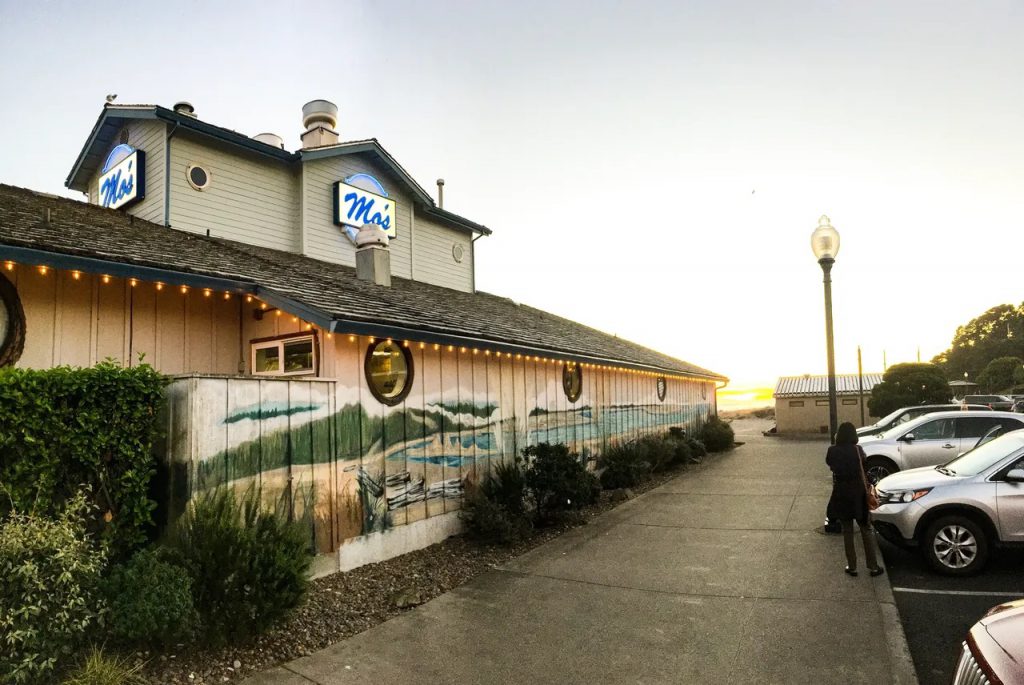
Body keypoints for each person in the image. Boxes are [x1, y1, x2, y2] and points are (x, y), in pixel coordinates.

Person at [826, 422, 884, 577]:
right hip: (858, 493)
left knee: (847, 531)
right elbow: (864, 465)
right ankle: (873, 566)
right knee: (865, 528)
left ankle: (852, 567)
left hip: (841, 492)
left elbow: (830, 465)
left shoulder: (832, 451)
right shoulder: (858, 450)